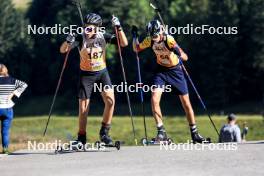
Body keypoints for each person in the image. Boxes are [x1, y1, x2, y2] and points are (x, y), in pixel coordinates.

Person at [132, 20, 207, 143]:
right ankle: (161, 132)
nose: (154, 39)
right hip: (161, 71)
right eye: (152, 37)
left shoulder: (169, 40)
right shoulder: (150, 40)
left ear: (161, 31)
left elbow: (185, 57)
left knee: (186, 104)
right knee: (154, 99)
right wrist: (135, 37)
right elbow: (136, 48)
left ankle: (195, 133)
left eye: (156, 36)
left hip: (175, 71)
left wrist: (179, 53)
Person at [60, 13, 128, 145]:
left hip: (102, 73)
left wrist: (118, 27)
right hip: (86, 75)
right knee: (84, 108)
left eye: (90, 29)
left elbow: (124, 43)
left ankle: (104, 133)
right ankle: (81, 137)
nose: (87, 31)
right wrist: (68, 40)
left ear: (97, 28)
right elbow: (63, 50)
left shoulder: (103, 36)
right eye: (85, 28)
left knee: (110, 101)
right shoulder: (80, 38)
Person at [0, 64, 27, 154]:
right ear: (5, 70)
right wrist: (13, 94)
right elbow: (24, 85)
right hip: (7, 109)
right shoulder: (12, 80)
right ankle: (5, 149)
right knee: (5, 131)